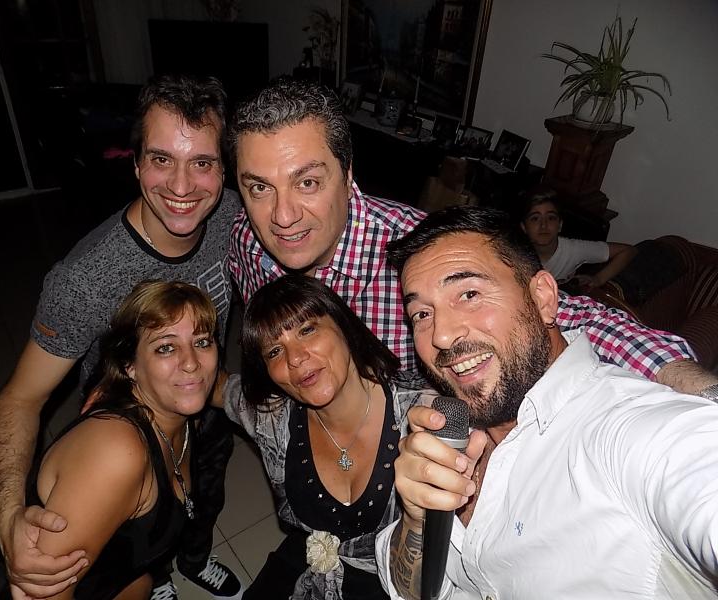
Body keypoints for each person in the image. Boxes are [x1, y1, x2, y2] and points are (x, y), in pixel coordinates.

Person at [226, 76, 716, 395]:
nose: (283, 216)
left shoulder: (418, 250)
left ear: (348, 173)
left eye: (307, 183)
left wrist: (694, 389)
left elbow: (569, 315)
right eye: (259, 188)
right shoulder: (247, 244)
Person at [0, 74, 244, 600]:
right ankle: (156, 576)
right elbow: (21, 398)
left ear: (223, 170)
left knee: (203, 497)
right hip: (134, 432)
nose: (182, 187)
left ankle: (195, 558)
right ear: (136, 163)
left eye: (202, 163)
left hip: (205, 406)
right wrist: (9, 513)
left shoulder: (233, 216)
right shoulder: (85, 280)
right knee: (142, 537)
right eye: (162, 159)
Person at [376, 205, 718, 599]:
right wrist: (416, 519)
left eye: (469, 294)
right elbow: (412, 589)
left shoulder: (631, 429)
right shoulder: (451, 432)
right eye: (422, 313)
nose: (442, 335)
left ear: (543, 298)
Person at [0, 281, 220, 600]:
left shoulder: (182, 415)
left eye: (202, 342)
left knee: (142, 584)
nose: (191, 362)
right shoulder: (116, 452)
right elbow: (43, 595)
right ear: (130, 366)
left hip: (98, 580)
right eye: (166, 347)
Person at [217, 274, 435, 600]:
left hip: (390, 580)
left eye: (307, 330)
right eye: (275, 351)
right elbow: (217, 388)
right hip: (309, 563)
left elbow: (425, 582)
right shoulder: (273, 417)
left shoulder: (423, 417)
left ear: (343, 324)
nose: (295, 358)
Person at [521, 187, 637, 288]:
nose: (543, 225)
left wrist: (598, 279)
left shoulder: (573, 250)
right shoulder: (515, 253)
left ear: (560, 225)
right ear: (524, 227)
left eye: (551, 218)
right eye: (535, 219)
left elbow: (628, 251)